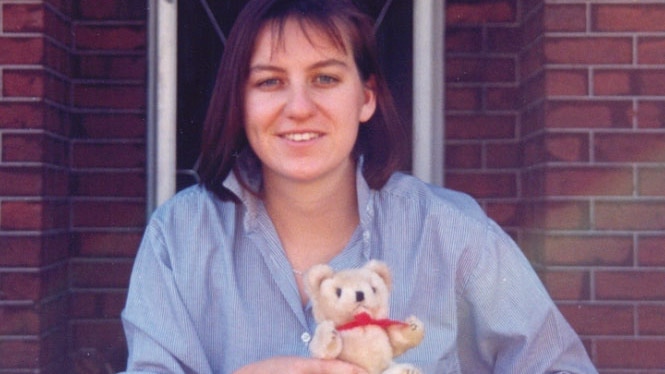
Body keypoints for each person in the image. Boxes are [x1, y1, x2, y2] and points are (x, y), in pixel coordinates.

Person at [121, 0, 598, 373]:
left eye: (324, 78)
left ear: (366, 97)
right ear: (240, 102)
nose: (299, 106)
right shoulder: (179, 237)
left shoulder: (452, 234)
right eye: (269, 82)